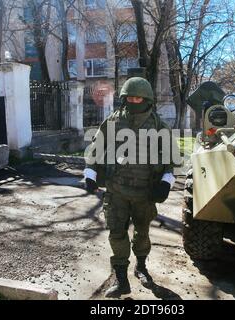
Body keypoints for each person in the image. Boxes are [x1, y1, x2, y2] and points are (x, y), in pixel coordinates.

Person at [83, 77, 176, 298]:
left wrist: (165, 182)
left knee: (142, 233)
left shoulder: (158, 126)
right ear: (124, 99)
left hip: (145, 193)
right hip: (117, 191)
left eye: (139, 98)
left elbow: (170, 159)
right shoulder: (113, 122)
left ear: (147, 100)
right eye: (130, 97)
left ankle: (141, 267)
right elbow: (96, 148)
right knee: (117, 233)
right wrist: (90, 173)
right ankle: (121, 279)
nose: (135, 101)